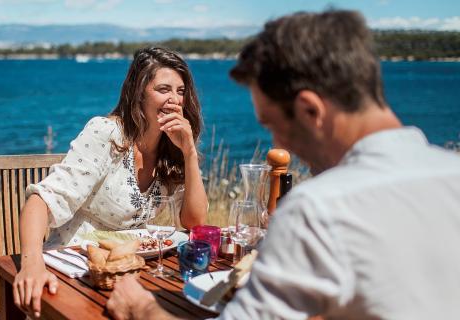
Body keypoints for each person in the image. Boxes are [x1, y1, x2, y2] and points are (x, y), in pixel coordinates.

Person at [106, 10, 460, 320]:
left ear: (310, 110)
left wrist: (141, 309)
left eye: (273, 125)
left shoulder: (319, 209)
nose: (278, 147)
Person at [13, 47, 208, 317]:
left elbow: (194, 223)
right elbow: (41, 200)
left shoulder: (170, 150)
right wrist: (31, 263)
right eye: (164, 89)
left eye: (181, 91)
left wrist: (189, 153)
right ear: (139, 92)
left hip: (129, 274)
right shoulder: (107, 135)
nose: (175, 100)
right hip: (76, 272)